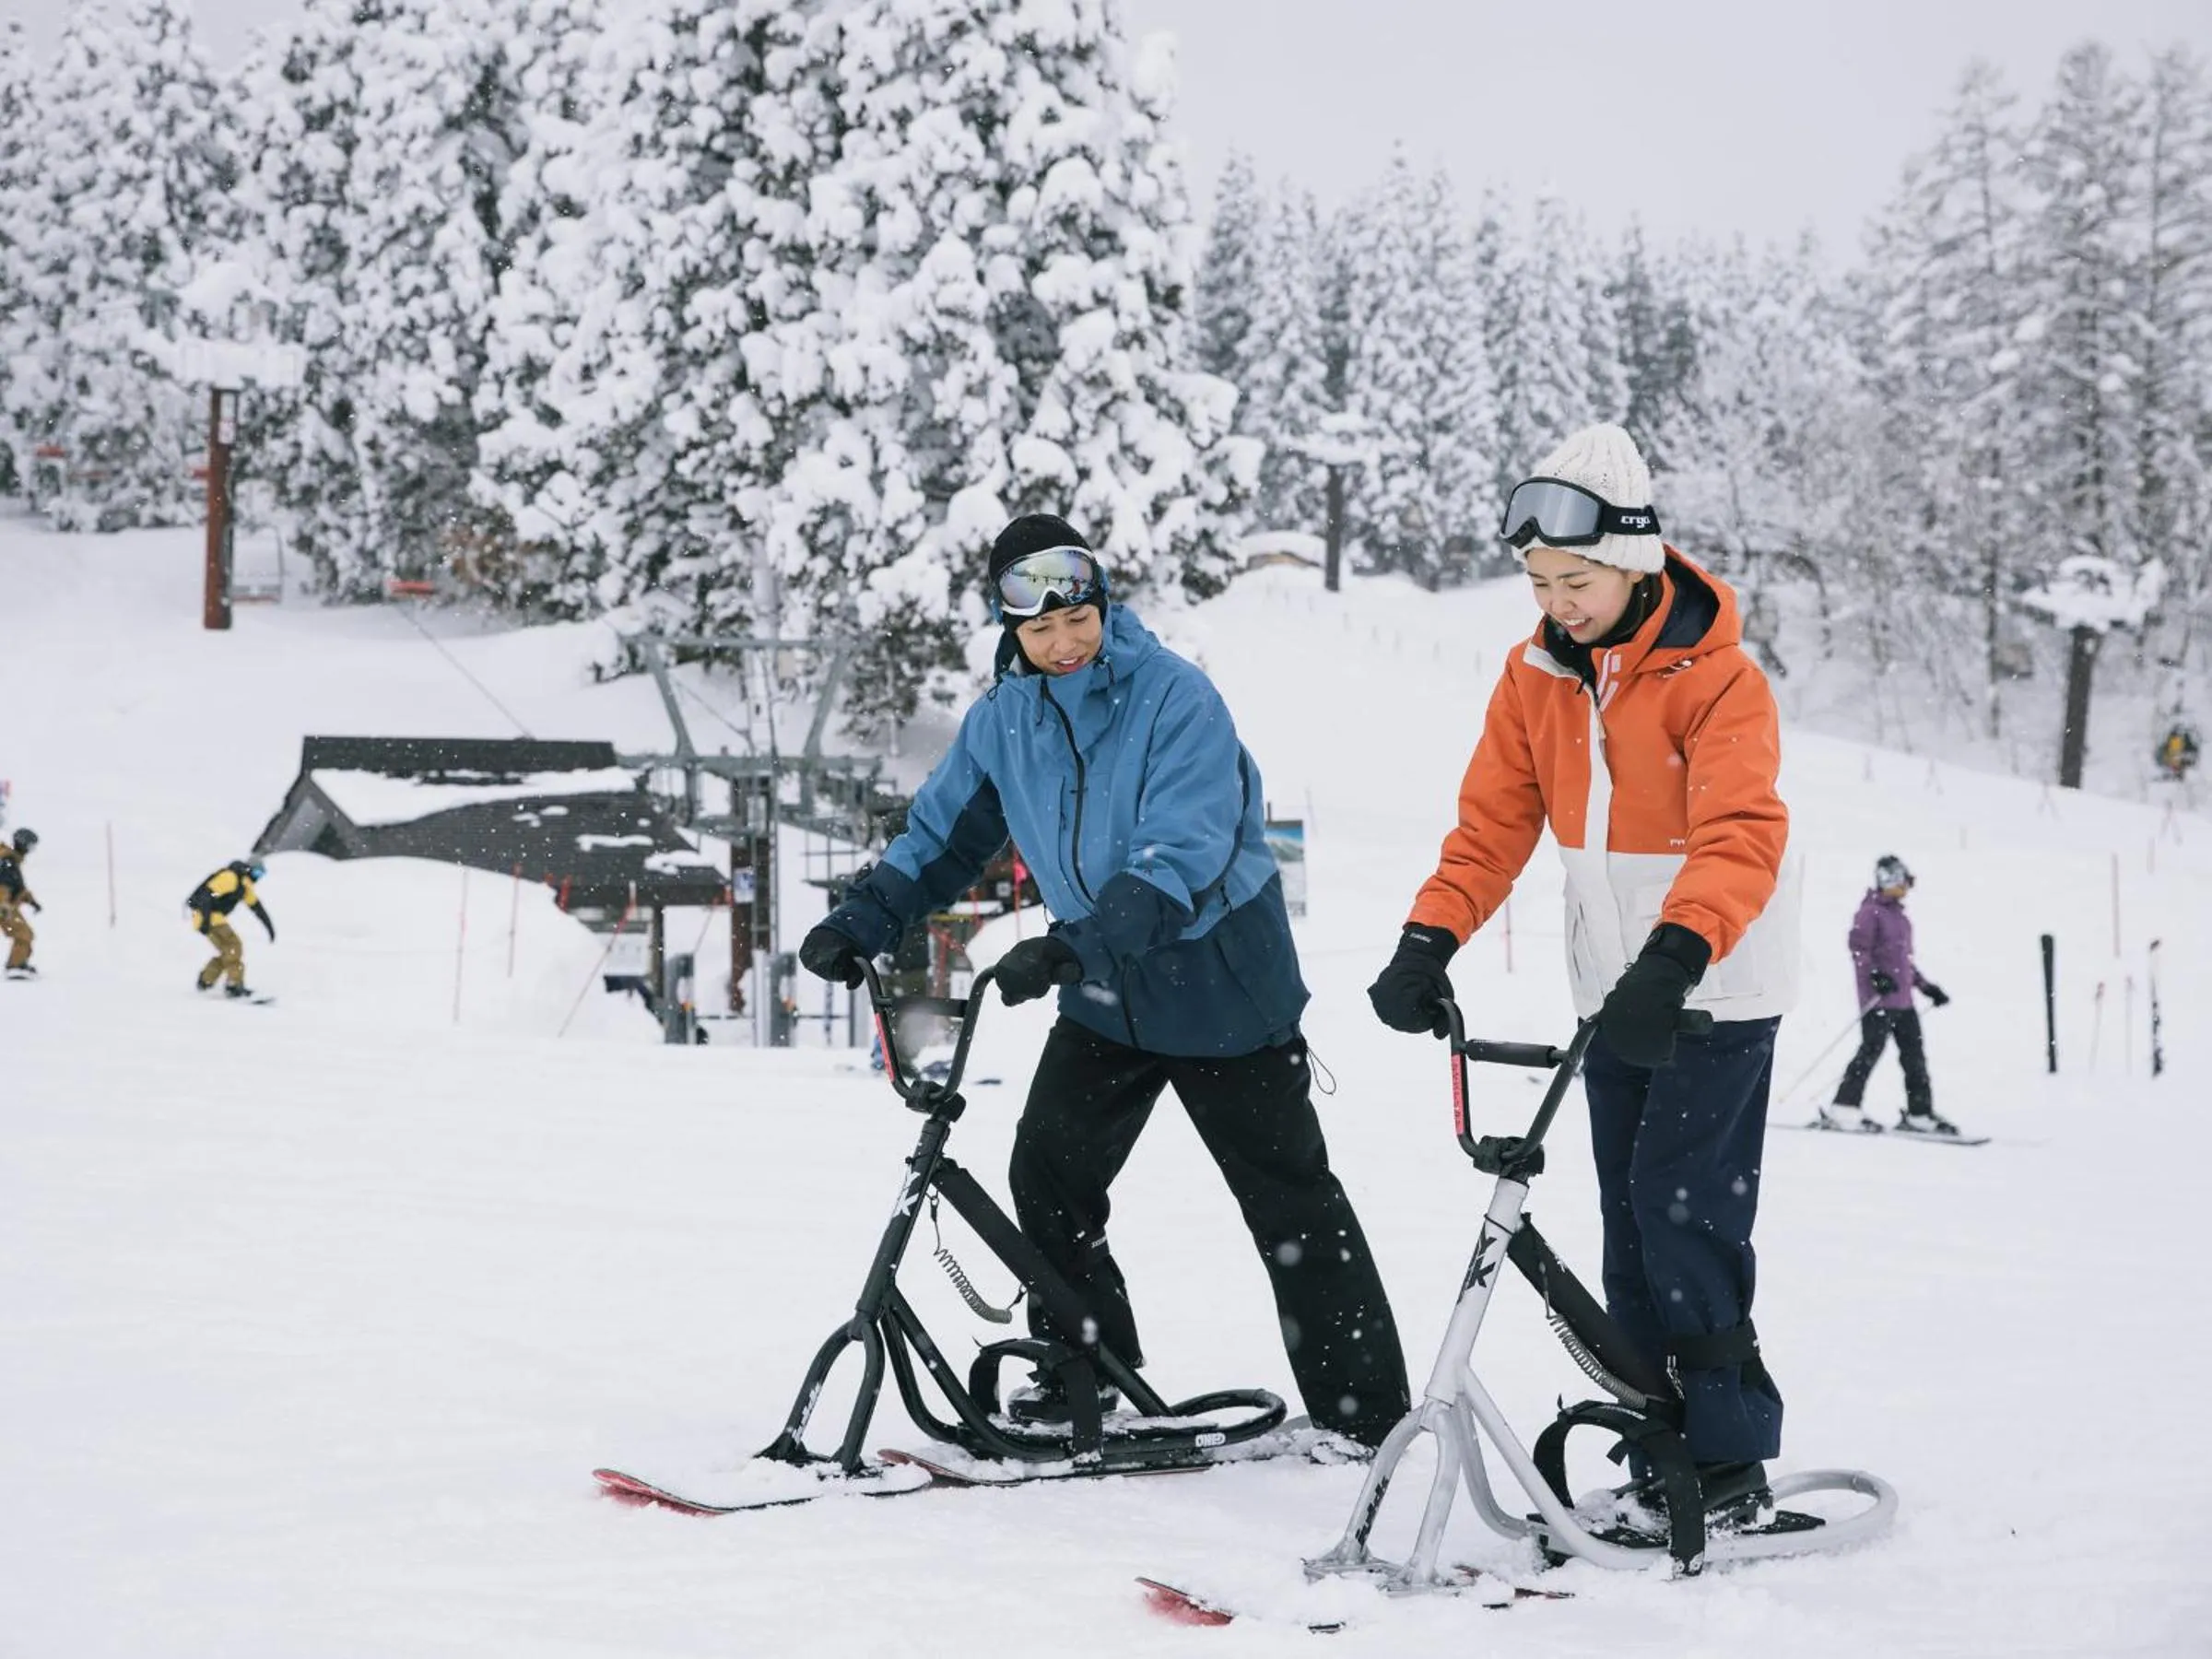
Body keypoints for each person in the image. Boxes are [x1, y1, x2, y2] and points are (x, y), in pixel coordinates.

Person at [801, 513, 1410, 1448]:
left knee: (1287, 1197)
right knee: (1049, 1168)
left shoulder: (1176, 700)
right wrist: (864, 919)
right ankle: (1083, 1364)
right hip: (1104, 990)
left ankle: (1367, 1417)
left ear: (1101, 603)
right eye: (1038, 628)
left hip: (1217, 986)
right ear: (1011, 630)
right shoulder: (1005, 720)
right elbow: (942, 839)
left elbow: (1183, 857)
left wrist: (1075, 944)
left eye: (1075, 618)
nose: (1062, 642)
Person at [1366, 422, 1798, 1520]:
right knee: (1625, 1218)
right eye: (1539, 581)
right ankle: (1662, 1431)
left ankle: (1730, 1451)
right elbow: (1491, 829)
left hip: (1716, 991)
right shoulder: (1537, 680)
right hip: (1616, 997)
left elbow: (1742, 834)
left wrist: (1680, 953)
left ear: (1636, 560)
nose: (1557, 601)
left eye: (1577, 580)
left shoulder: (1718, 680)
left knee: (1683, 1213)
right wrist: (1430, 937)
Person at [1820, 855, 1955, 1135]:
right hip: (1878, 1000)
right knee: (1870, 1051)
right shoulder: (1870, 912)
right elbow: (1859, 949)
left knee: (1914, 1057)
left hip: (1903, 1001)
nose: (1906, 888)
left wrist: (1926, 986)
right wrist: (1874, 976)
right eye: (1903, 881)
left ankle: (1920, 1114)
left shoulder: (1900, 917)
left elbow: (1902, 963)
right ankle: (1844, 1108)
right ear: (1889, 880)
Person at [187, 858, 276, 997]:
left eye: (261, 875)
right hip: (207, 916)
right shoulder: (231, 877)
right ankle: (234, 985)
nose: (258, 877)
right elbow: (206, 895)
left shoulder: (244, 886)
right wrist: (205, 920)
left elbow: (257, 908)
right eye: (257, 873)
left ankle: (205, 980)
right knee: (234, 946)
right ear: (249, 869)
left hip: (210, 917)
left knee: (228, 951)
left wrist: (270, 928)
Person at [1, 827, 41, 977]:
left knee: (26, 933)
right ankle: (15, 966)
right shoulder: (7, 862)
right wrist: (3, 905)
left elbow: (19, 888)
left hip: (9, 907)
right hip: (4, 907)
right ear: (23, 843)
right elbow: (3, 886)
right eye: (30, 846)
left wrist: (32, 902)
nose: (31, 850)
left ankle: (19, 962)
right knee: (22, 933)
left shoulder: (12, 861)